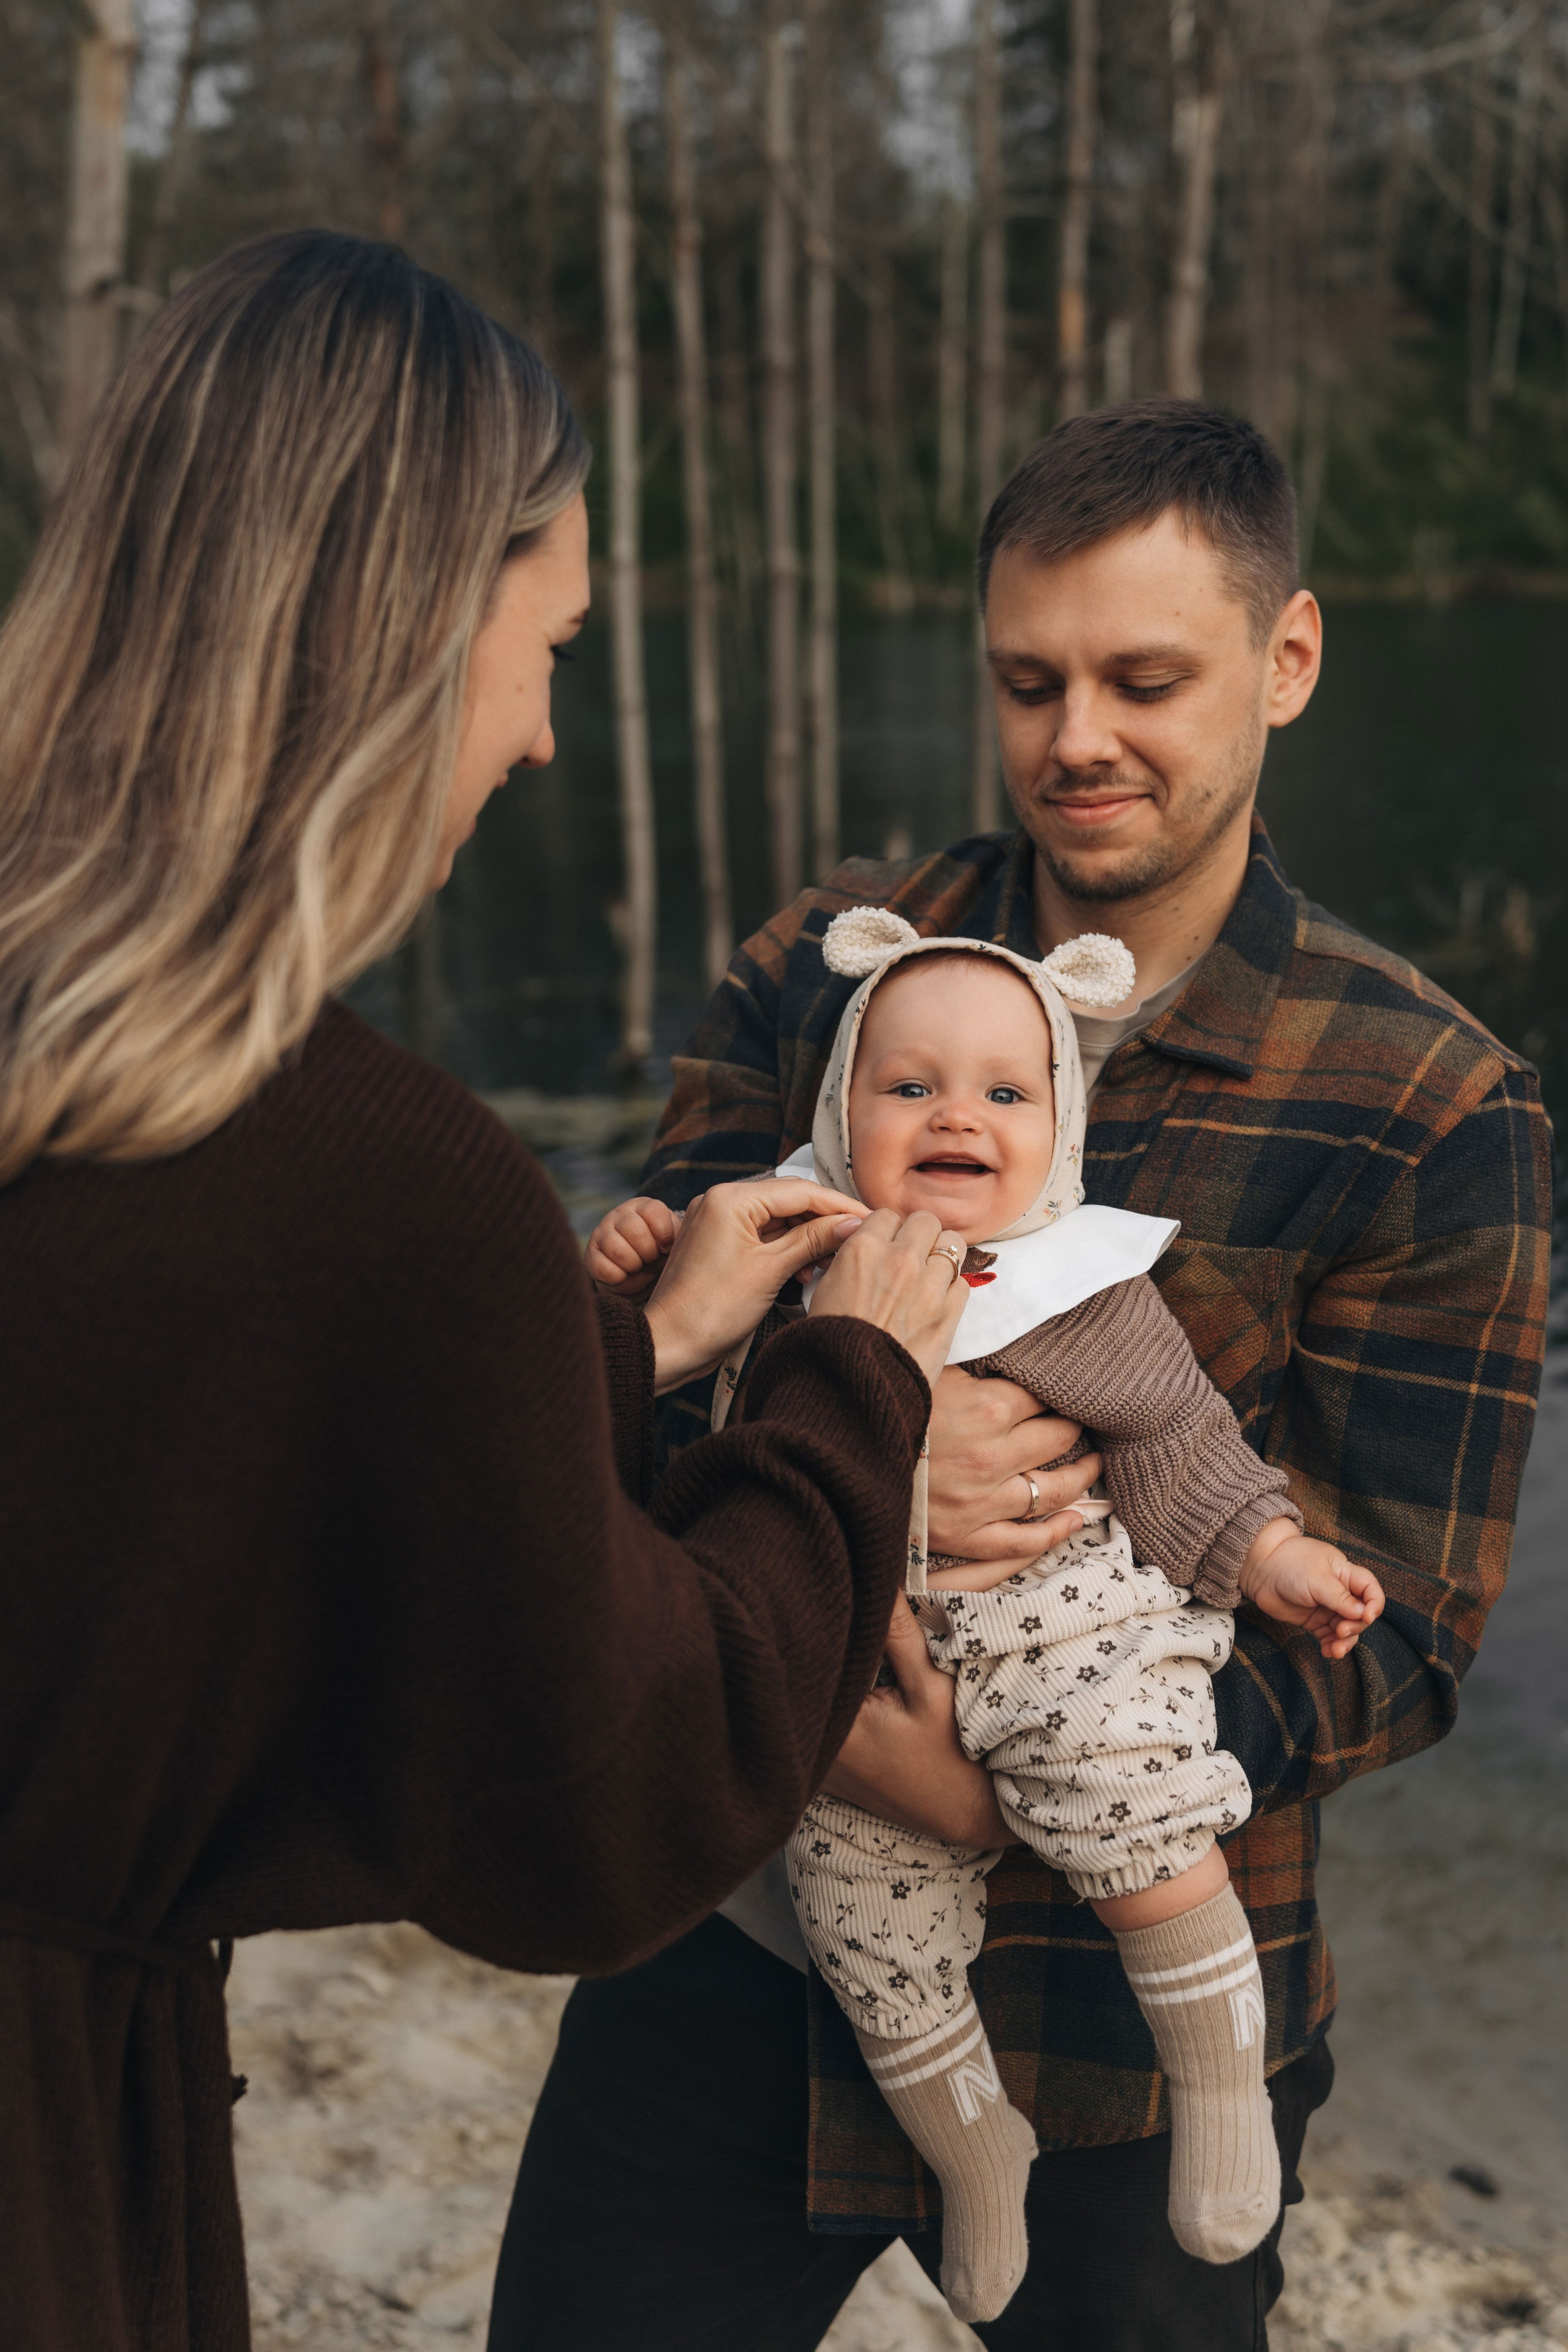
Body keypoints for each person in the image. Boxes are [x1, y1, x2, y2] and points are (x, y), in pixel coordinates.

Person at [0, 229, 982, 2352]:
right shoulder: (380, 1180)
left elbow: (165, 1471)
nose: (543, 738)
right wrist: (846, 1395)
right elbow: (604, 1806)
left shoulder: (82, 1074)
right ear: (402, 633)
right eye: (549, 645)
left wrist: (613, 1346)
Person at [489, 400, 1552, 2351]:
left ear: (1289, 659)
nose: (1079, 738)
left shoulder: (1428, 1104)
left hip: (1124, 2038)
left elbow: (1404, 1628)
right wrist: (838, 1486)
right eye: (1029, 679)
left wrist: (1022, 1778)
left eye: (1146, 679)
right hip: (731, 1938)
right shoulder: (824, 967)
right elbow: (604, 1429)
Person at [587, 916, 1385, 2324]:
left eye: (1004, 1094)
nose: (956, 1112)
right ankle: (975, 2154)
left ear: (1060, 1128)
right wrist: (636, 1285)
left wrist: (1271, 1555)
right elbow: (656, 1445)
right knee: (864, 1936)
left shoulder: (1078, 1285)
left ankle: (1217, 2088)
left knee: (1142, 1813)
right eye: (907, 1089)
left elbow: (1178, 1448)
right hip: (829, 1683)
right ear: (840, 1113)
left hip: (1054, 1640)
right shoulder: (777, 1251)